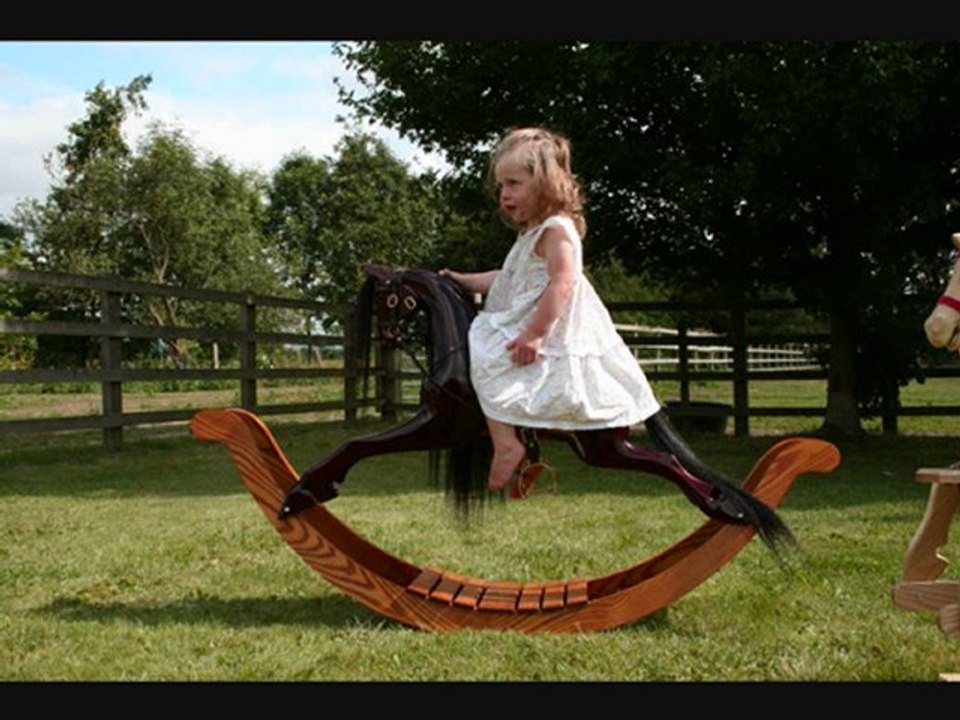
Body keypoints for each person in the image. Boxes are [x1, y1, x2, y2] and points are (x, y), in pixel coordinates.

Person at [441, 127, 661, 493]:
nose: (504, 194)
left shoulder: (557, 230)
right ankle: (516, 442)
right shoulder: (532, 233)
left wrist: (535, 333)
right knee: (481, 350)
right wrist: (462, 280)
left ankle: (508, 445)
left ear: (544, 184)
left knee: (487, 352)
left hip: (550, 330)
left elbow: (563, 282)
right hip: (530, 324)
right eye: (501, 186)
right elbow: (508, 278)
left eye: (513, 184)